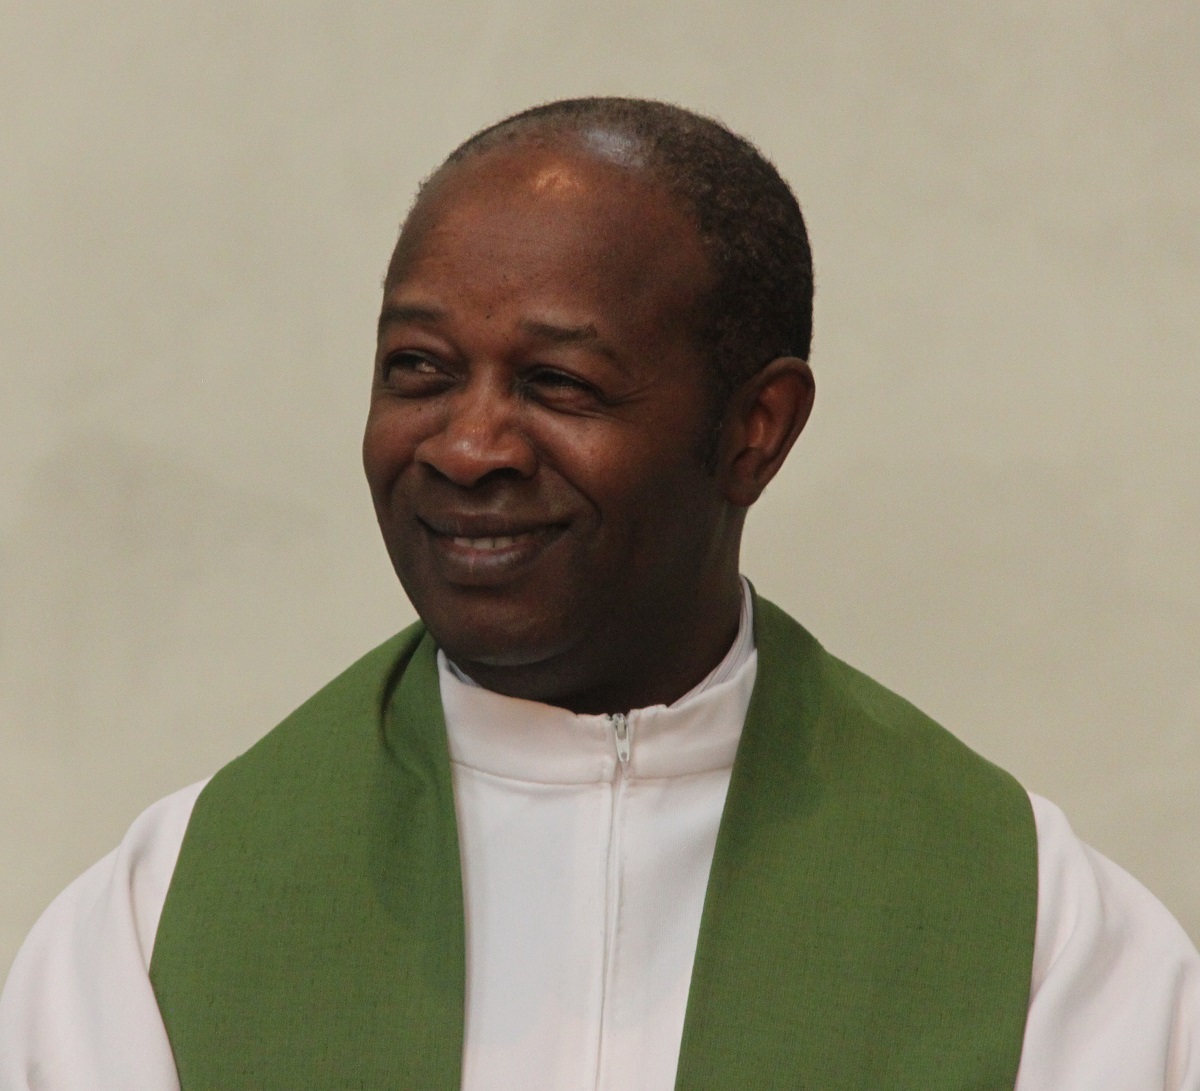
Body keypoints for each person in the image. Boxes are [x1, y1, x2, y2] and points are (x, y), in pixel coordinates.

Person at [1, 97, 1197, 1091]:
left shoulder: (1034, 930)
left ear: (756, 429)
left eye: (558, 383)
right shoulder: (163, 920)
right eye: (419, 368)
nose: (467, 445)